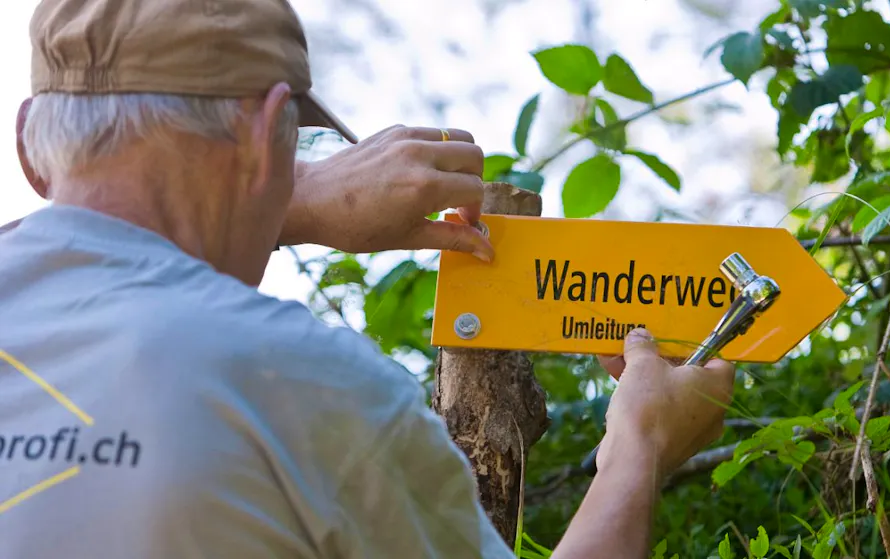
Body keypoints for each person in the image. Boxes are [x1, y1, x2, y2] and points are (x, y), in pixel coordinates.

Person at [0, 0, 736, 557]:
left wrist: (289, 199)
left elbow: (117, 246)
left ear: (30, 148)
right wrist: (639, 448)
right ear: (267, 134)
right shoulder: (304, 382)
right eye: (296, 147)